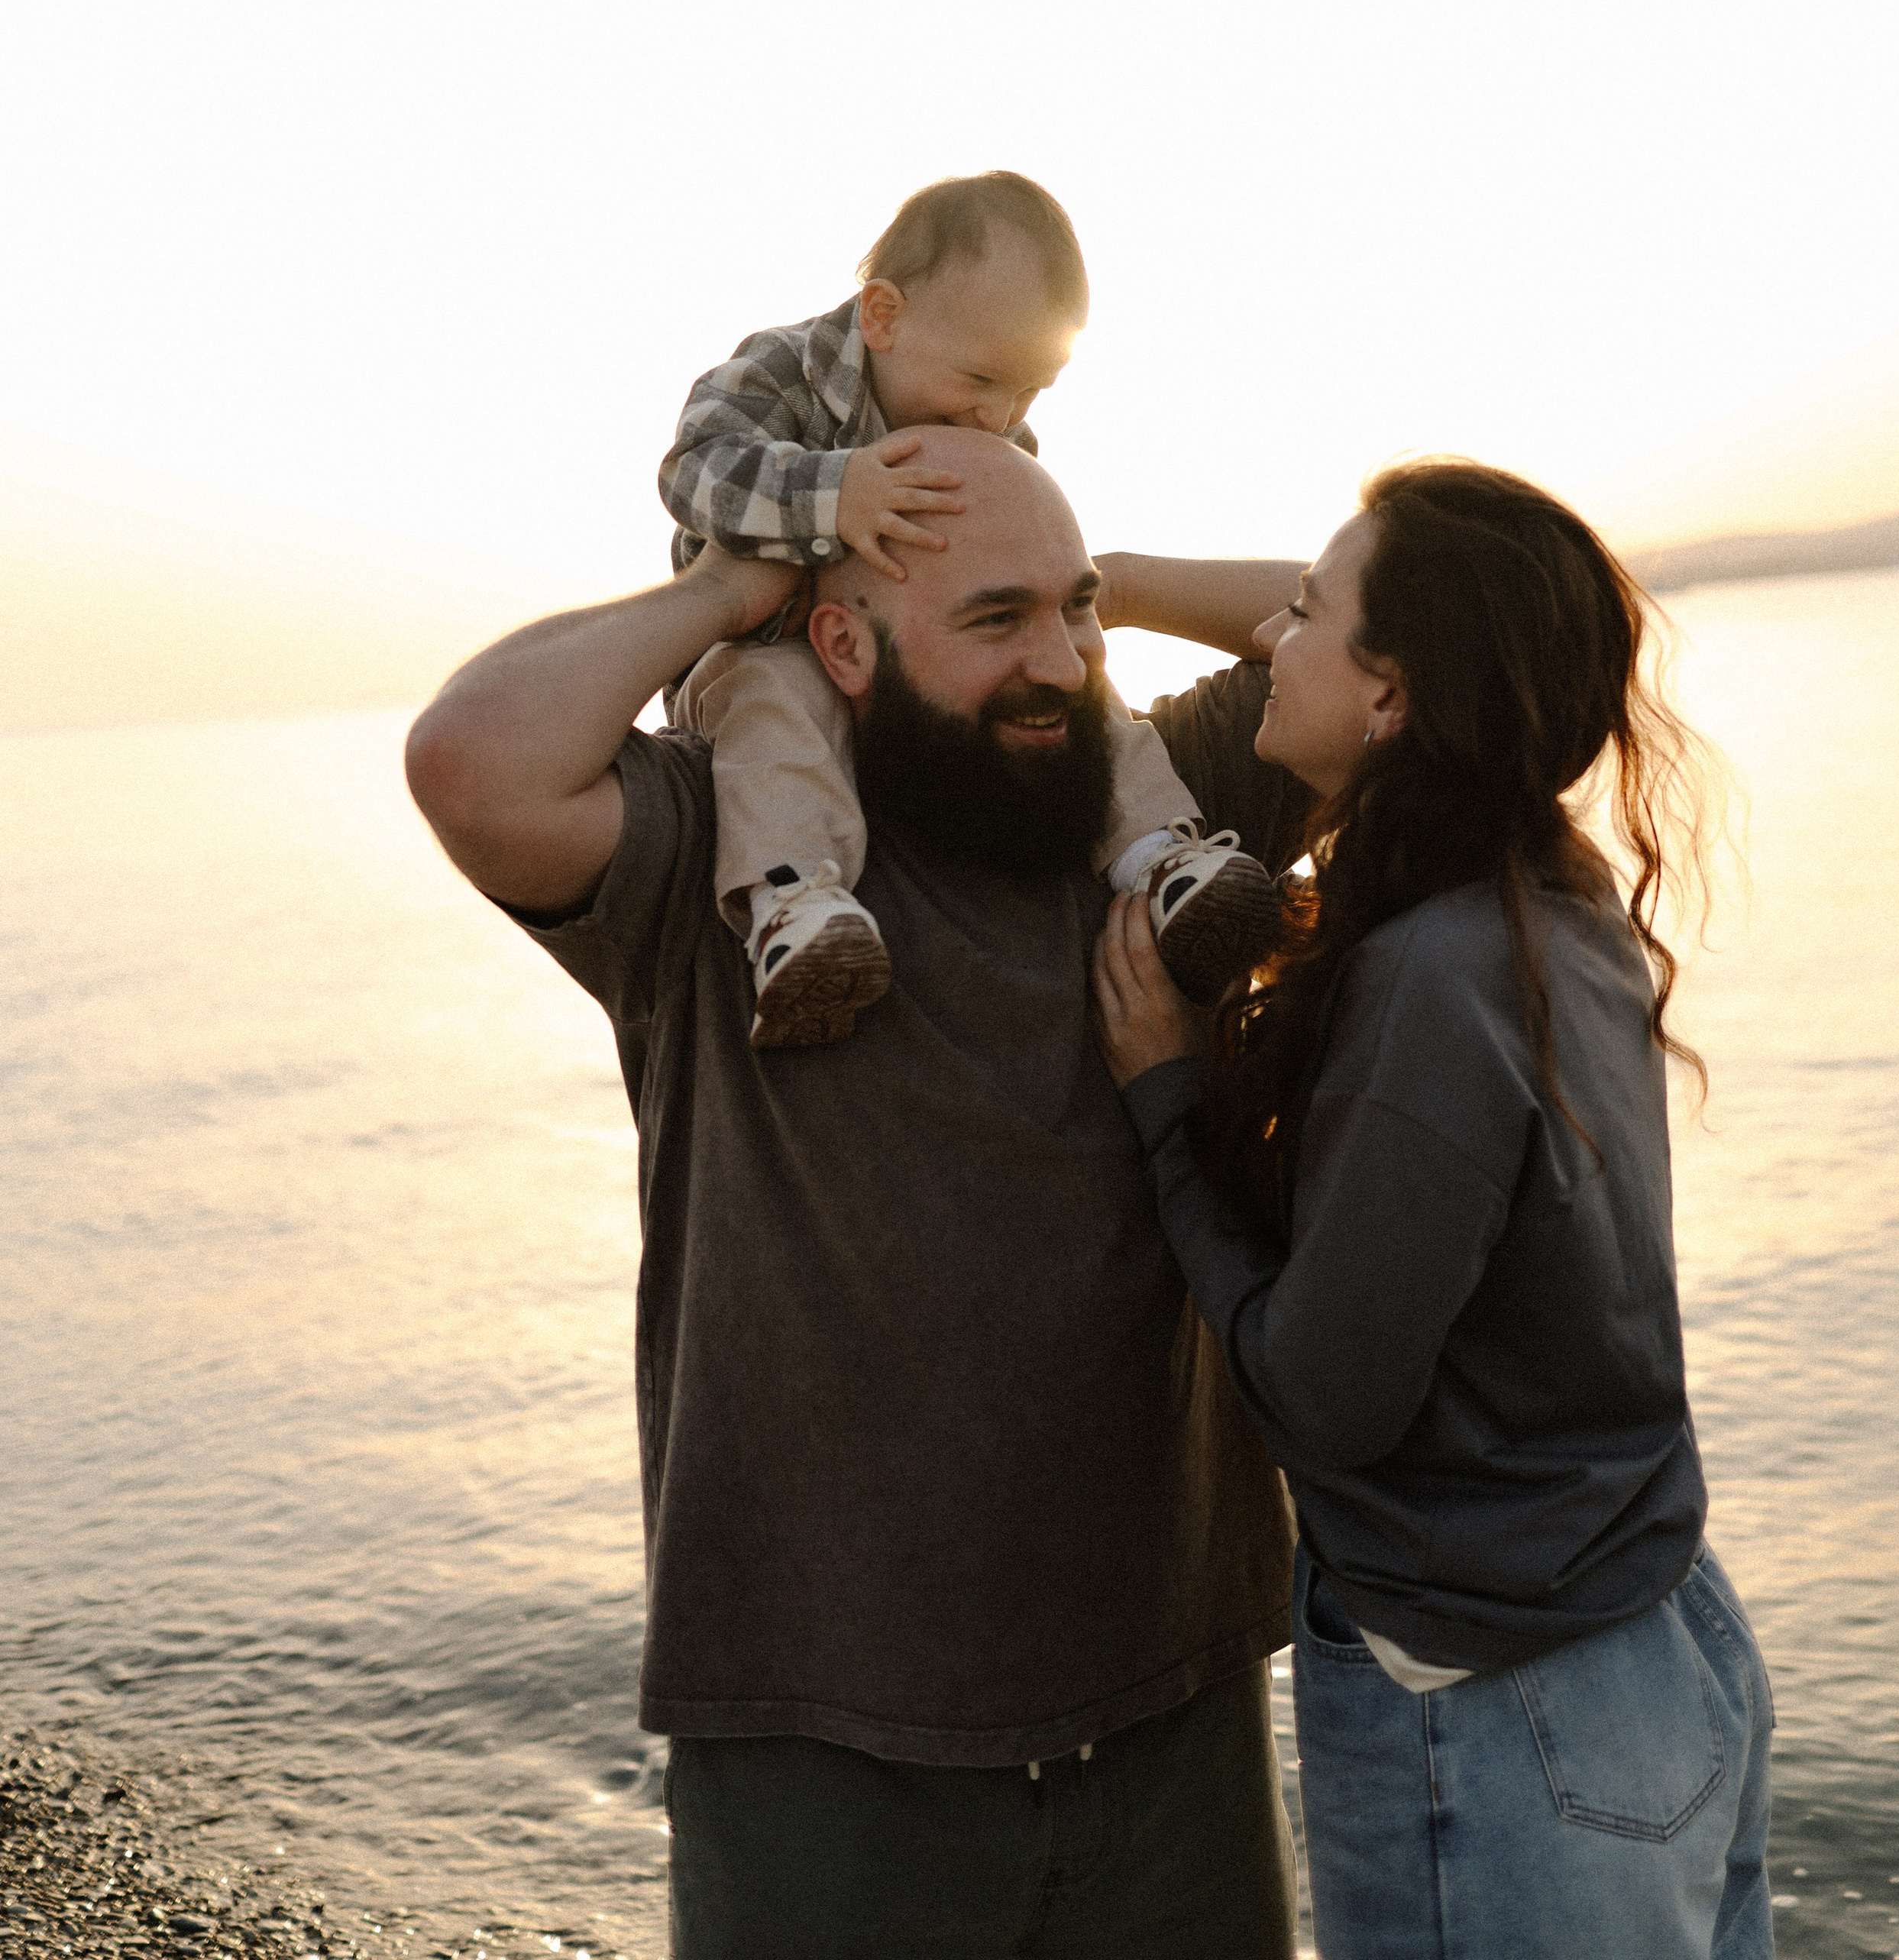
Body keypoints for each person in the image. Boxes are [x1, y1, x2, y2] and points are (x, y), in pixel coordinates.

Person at [404, 433, 1306, 1960]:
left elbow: (1393, 648)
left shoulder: (1155, 824)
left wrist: (1101, 582)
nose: (1058, 664)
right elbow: (471, 758)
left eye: (1069, 614)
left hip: (1170, 1719)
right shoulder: (733, 861)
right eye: (993, 620)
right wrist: (746, 571)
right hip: (823, 1757)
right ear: (842, 641)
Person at [1089, 461, 1774, 1960]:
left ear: (1393, 697)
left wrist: (1167, 1104)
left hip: (1502, 1712)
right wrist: (1113, 581)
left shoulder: (1427, 980)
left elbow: (1327, 1399)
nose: (1267, 637)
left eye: (1303, 619)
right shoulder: (1543, 885)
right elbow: (1374, 612)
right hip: (1659, 1660)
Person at [658, 170, 1279, 1044]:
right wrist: (835, 495)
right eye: (983, 378)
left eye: (1030, 392)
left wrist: (1081, 595)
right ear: (882, 316)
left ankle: (1162, 859)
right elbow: (695, 471)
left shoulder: (988, 430)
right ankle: (792, 905)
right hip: (763, 640)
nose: (1001, 416)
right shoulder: (784, 370)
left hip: (919, 673)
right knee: (774, 717)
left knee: (1076, 683)